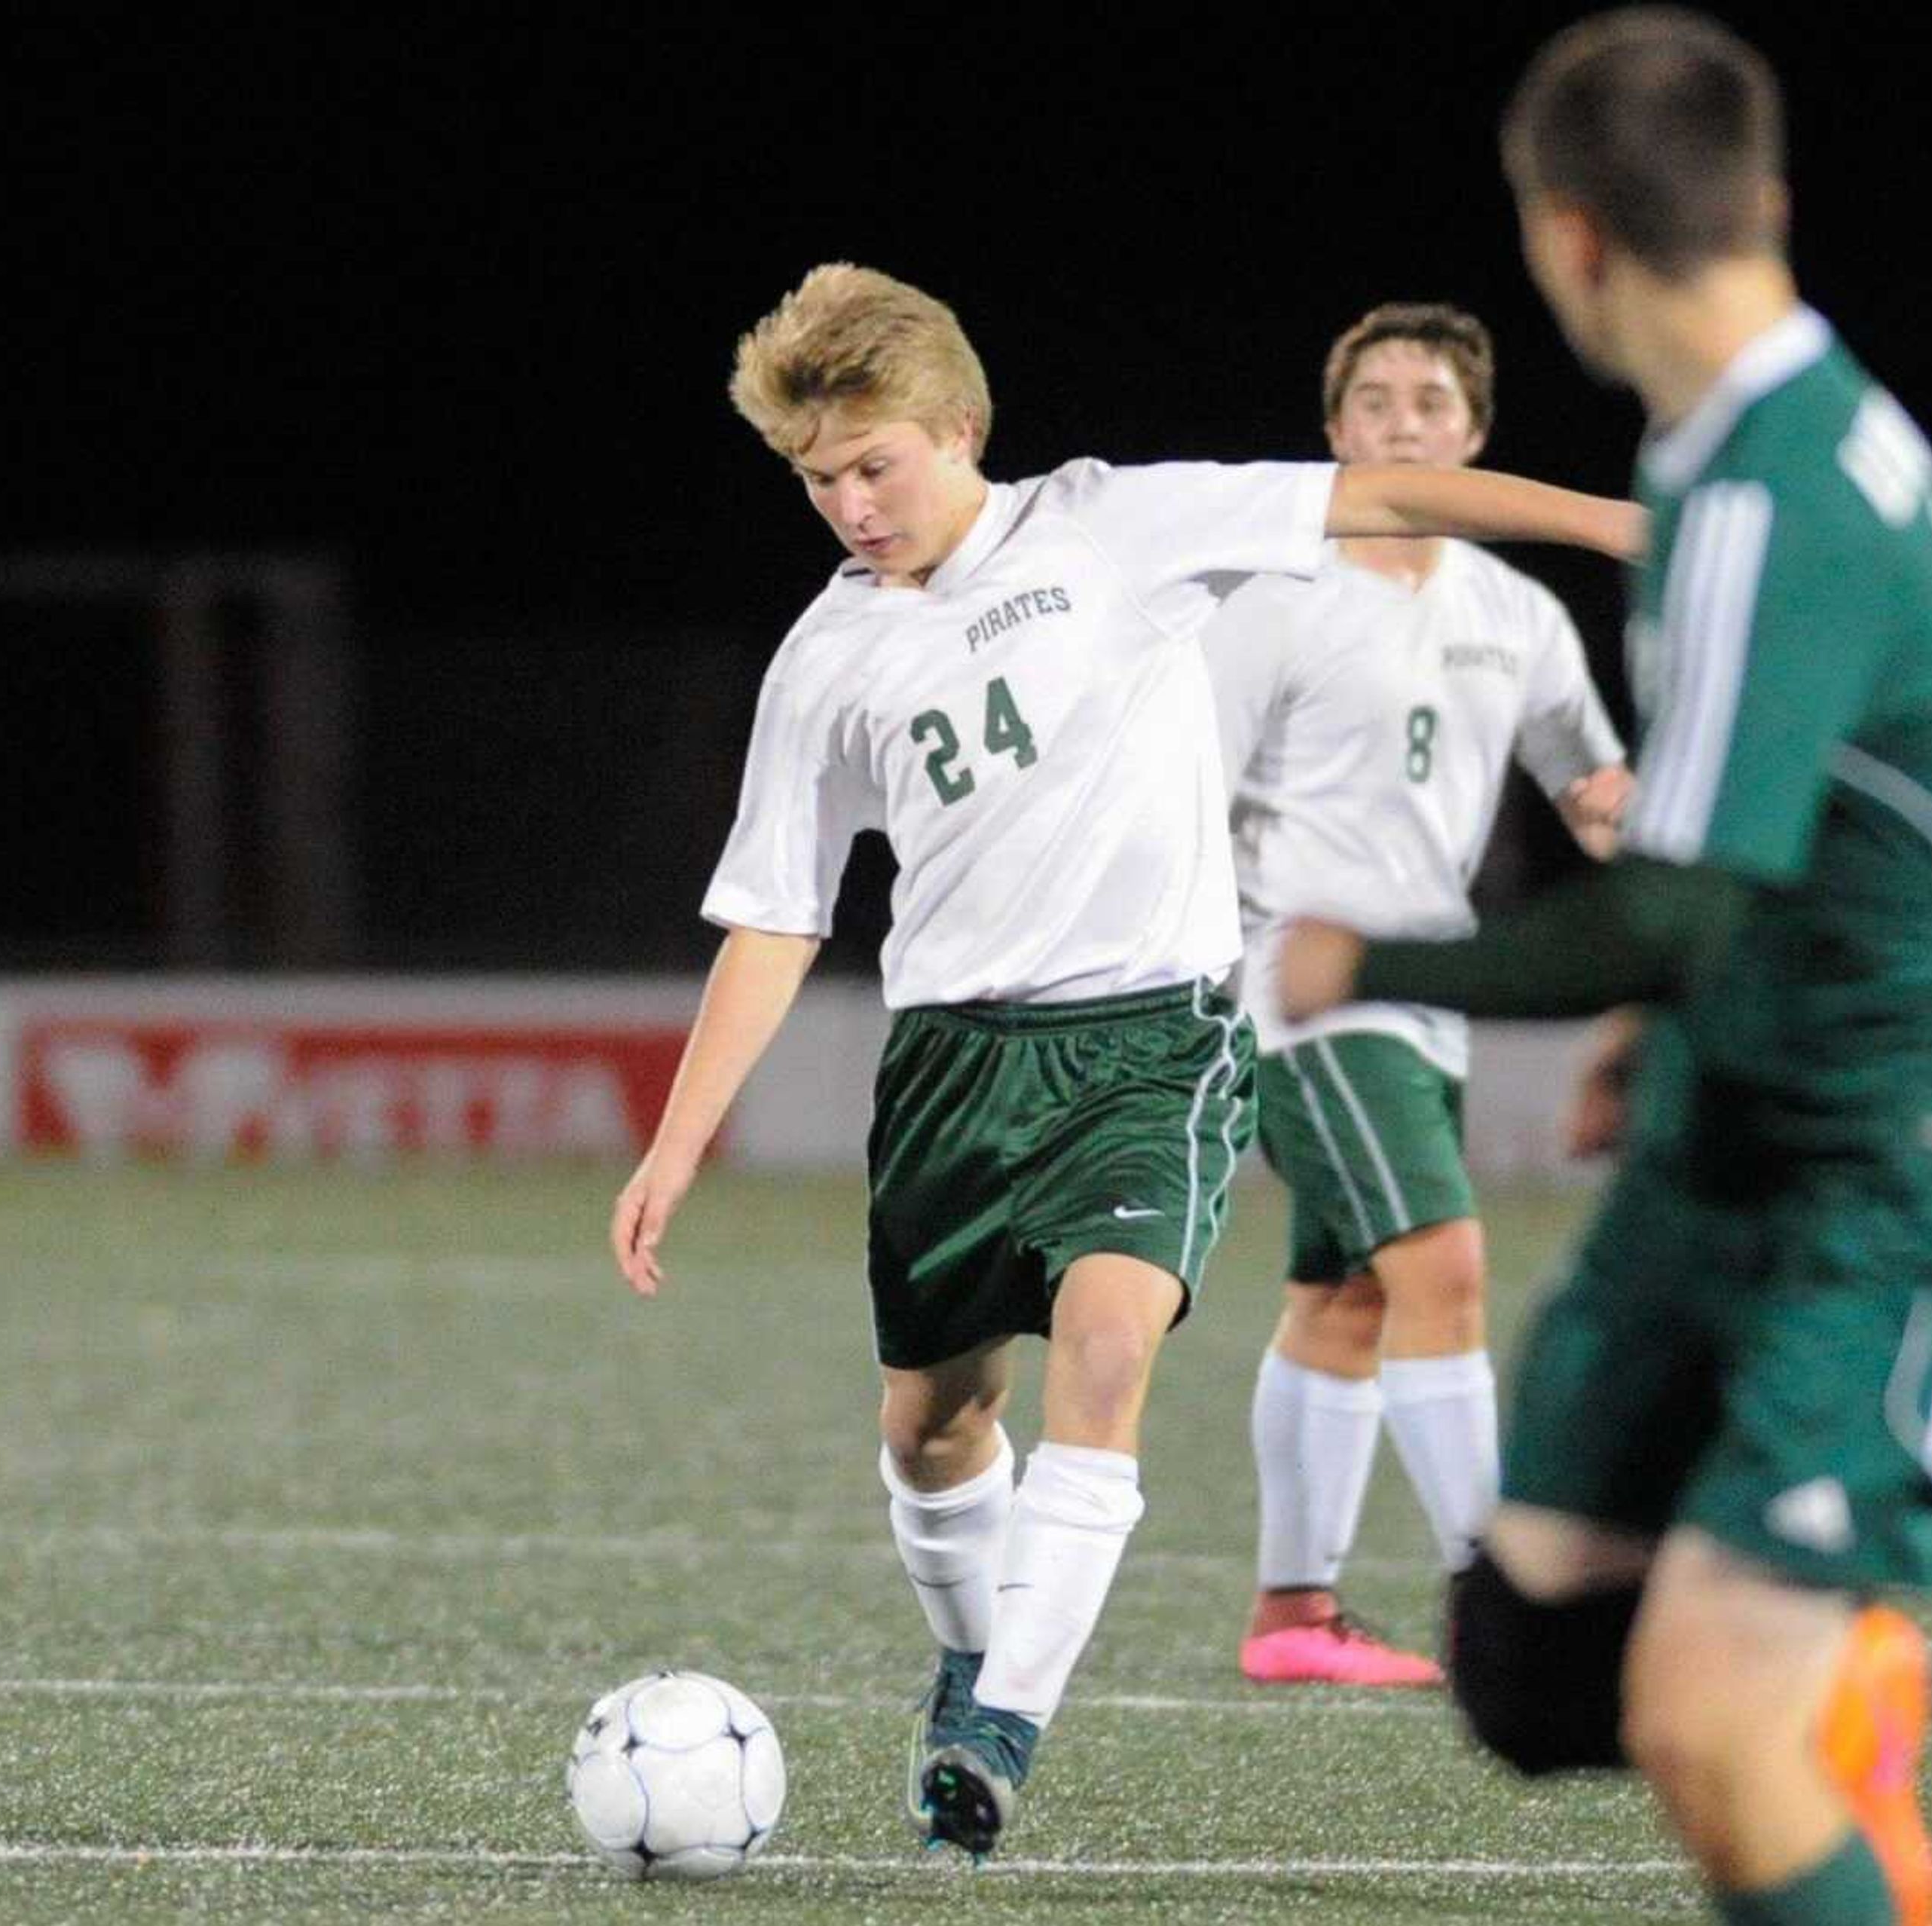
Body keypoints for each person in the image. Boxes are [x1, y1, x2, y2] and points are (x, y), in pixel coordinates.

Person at [604, 261, 1639, 1862]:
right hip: (952, 1068)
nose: (852, 506)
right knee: (934, 1430)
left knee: (1106, 1354)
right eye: (819, 482)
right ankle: (973, 1655)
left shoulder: (1116, 525)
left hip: (1153, 1043)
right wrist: (677, 1145)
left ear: (959, 427)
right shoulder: (825, 662)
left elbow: (1385, 488)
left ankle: (1000, 1736)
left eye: (876, 465)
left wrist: (1621, 526)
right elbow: (774, 919)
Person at [1279, 14, 1932, 1923]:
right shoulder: (1760, 437)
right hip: (1748, 1110)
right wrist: (1664, 1020)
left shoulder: (1764, 492)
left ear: (1564, 241)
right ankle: (1850, 1692)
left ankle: (1821, 1707)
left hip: (1919, 1149)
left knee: (1714, 1722)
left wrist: (1358, 958)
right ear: (1765, 206)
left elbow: (1663, 905)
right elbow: (1747, 834)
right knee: (1530, 1664)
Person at [1206, 301, 1633, 1689]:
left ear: (1477, 433)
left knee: (1346, 1302)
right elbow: (1184, 801)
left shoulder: (1516, 615)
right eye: (1376, 401)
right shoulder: (1275, 605)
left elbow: (1590, 787)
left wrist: (1641, 827)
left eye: (1431, 402)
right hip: (1302, 987)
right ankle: (1510, 1613)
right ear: (1335, 435)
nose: (1403, 421)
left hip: (1426, 991)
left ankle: (1294, 1616)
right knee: (1442, 1262)